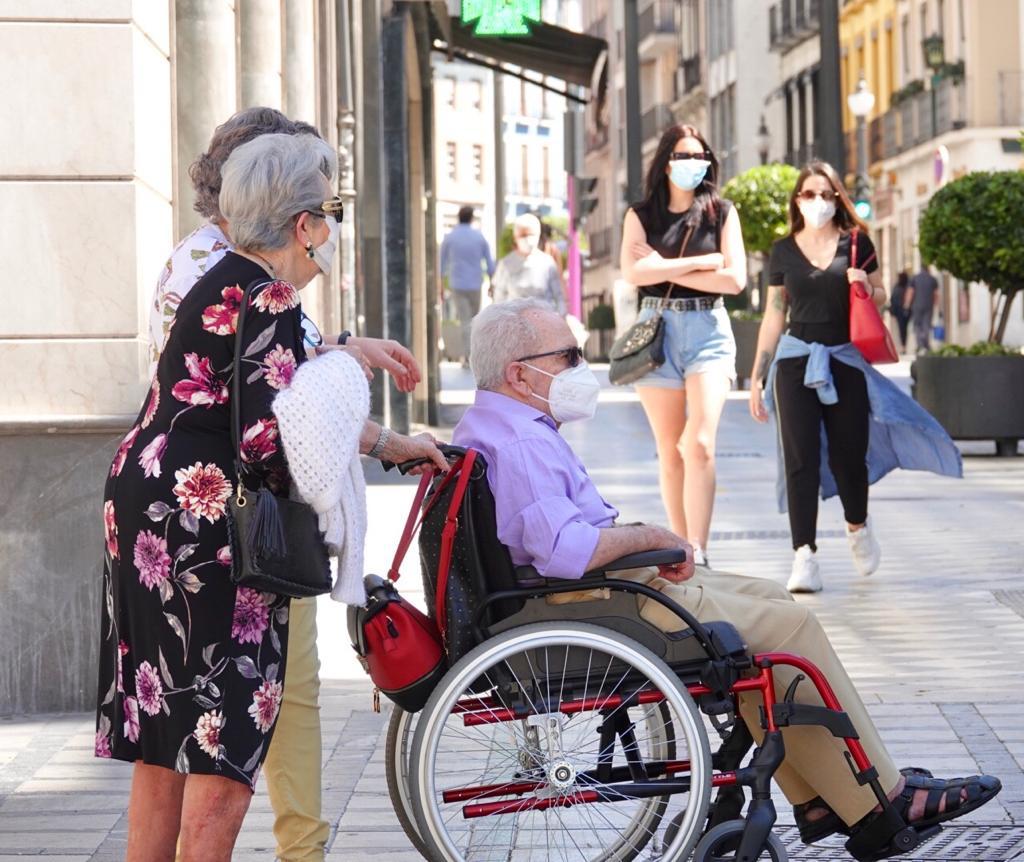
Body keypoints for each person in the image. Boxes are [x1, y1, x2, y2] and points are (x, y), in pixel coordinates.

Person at [452, 298, 1000, 857]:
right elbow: (565, 550)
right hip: (587, 601)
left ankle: (815, 795)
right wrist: (650, 537)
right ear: (519, 373)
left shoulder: (497, 423)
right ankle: (883, 799)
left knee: (769, 597)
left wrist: (648, 541)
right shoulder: (520, 442)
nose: (581, 369)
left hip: (581, 595)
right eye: (568, 356)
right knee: (790, 630)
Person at [96, 133, 446, 862]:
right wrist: (342, 391)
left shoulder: (220, 276)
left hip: (147, 508)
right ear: (301, 223)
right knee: (222, 745)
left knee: (165, 737)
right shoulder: (271, 295)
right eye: (330, 210)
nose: (331, 230)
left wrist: (360, 415)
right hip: (207, 526)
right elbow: (265, 439)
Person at [748, 161, 961, 594]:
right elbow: (774, 315)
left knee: (849, 456)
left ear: (837, 199)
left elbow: (880, 296)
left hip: (844, 359)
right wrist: (757, 375)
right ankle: (804, 555)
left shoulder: (857, 242)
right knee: (800, 460)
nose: (819, 202)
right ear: (797, 200)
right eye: (810, 194)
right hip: (794, 361)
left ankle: (857, 526)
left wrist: (865, 283)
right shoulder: (783, 250)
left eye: (827, 195)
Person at [618, 124, 746, 568]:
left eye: (699, 155)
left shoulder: (723, 213)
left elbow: (735, 279)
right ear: (665, 161)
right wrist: (700, 263)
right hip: (657, 332)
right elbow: (633, 275)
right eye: (682, 155)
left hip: (709, 329)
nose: (692, 163)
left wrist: (663, 267)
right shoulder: (641, 215)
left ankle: (702, 548)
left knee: (701, 444)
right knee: (670, 448)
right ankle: (681, 548)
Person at [439, 205, 495, 365]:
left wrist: (440, 286)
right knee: (474, 319)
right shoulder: (479, 237)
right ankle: (472, 355)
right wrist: (492, 283)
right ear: (471, 218)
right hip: (475, 283)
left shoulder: (450, 237)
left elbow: (441, 264)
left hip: (457, 283)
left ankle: (468, 356)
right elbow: (489, 263)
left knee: (464, 320)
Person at [491, 213, 566, 314]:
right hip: (514, 322)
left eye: (531, 234)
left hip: (544, 321)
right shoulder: (506, 264)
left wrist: (561, 317)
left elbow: (558, 295)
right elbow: (499, 296)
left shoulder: (547, 262)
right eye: (523, 235)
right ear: (515, 237)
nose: (528, 239)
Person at [906, 265, 940, 354]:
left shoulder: (914, 278)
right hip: (929, 305)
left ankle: (920, 345)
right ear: (928, 269)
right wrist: (936, 306)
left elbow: (911, 292)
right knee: (926, 324)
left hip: (917, 305)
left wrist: (907, 304)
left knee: (917, 325)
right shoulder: (933, 279)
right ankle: (926, 344)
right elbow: (936, 294)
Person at [889, 271, 911, 352]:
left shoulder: (901, 287)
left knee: (902, 329)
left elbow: (892, 299)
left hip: (902, 311)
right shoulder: (901, 287)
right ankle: (903, 345)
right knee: (902, 329)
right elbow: (892, 299)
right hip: (901, 312)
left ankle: (903, 346)